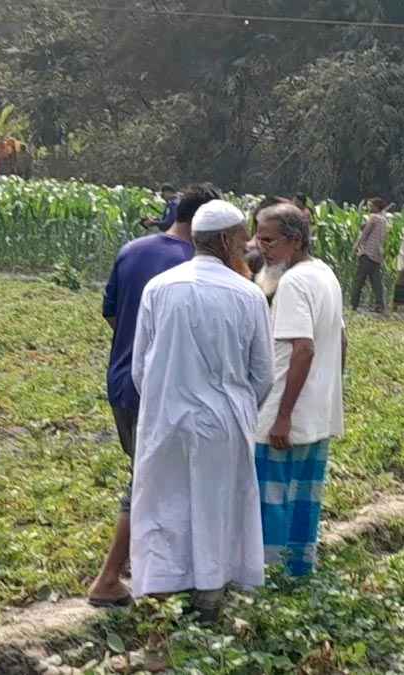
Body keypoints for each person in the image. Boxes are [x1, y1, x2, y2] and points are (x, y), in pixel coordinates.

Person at [130, 200, 272, 616]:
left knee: (164, 502)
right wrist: (242, 410)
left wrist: (162, 402)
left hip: (165, 419)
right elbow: (262, 374)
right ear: (227, 240)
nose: (247, 247)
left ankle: (161, 591)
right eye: (243, 239)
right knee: (215, 506)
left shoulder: (159, 288)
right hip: (222, 422)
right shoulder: (248, 295)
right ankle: (208, 595)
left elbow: (141, 366)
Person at [88, 184, 218, 608]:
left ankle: (149, 571)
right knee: (151, 481)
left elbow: (110, 311)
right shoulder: (194, 268)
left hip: (122, 382)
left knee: (147, 476)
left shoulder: (133, 250)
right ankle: (113, 578)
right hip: (164, 392)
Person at [253, 203, 345, 577]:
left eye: (268, 240)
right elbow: (341, 338)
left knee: (271, 498)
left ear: (294, 240)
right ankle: (298, 571)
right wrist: (331, 390)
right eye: (258, 238)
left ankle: (269, 574)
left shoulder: (293, 283)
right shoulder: (325, 274)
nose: (261, 247)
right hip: (317, 410)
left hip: (285, 410)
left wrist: (283, 416)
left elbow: (302, 348)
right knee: (304, 497)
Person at [351, 198, 390, 314]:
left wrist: (355, 247)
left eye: (371, 206)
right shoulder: (384, 220)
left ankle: (354, 303)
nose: (369, 208)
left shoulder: (373, 218)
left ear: (376, 207)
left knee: (359, 279)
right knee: (376, 282)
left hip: (367, 253)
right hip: (377, 254)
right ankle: (380, 304)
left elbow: (365, 234)